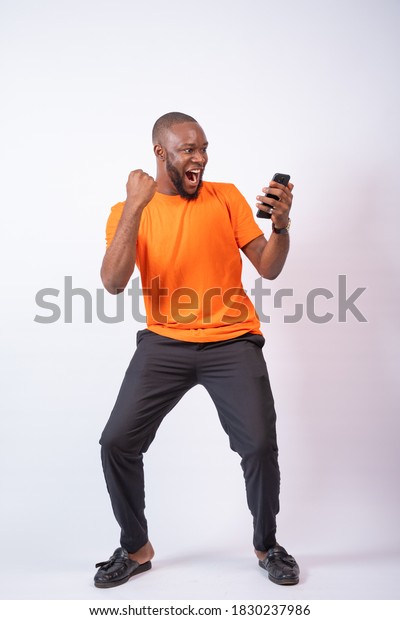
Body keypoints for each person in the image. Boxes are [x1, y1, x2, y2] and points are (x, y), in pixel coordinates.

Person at [94, 112, 299, 589]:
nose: (200, 158)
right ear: (160, 153)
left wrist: (282, 227)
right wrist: (133, 207)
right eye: (188, 150)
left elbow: (268, 268)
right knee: (117, 443)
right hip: (165, 342)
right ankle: (135, 548)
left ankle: (267, 544)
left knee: (260, 447)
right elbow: (112, 281)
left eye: (204, 148)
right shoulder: (129, 211)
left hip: (232, 340)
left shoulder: (224, 197)